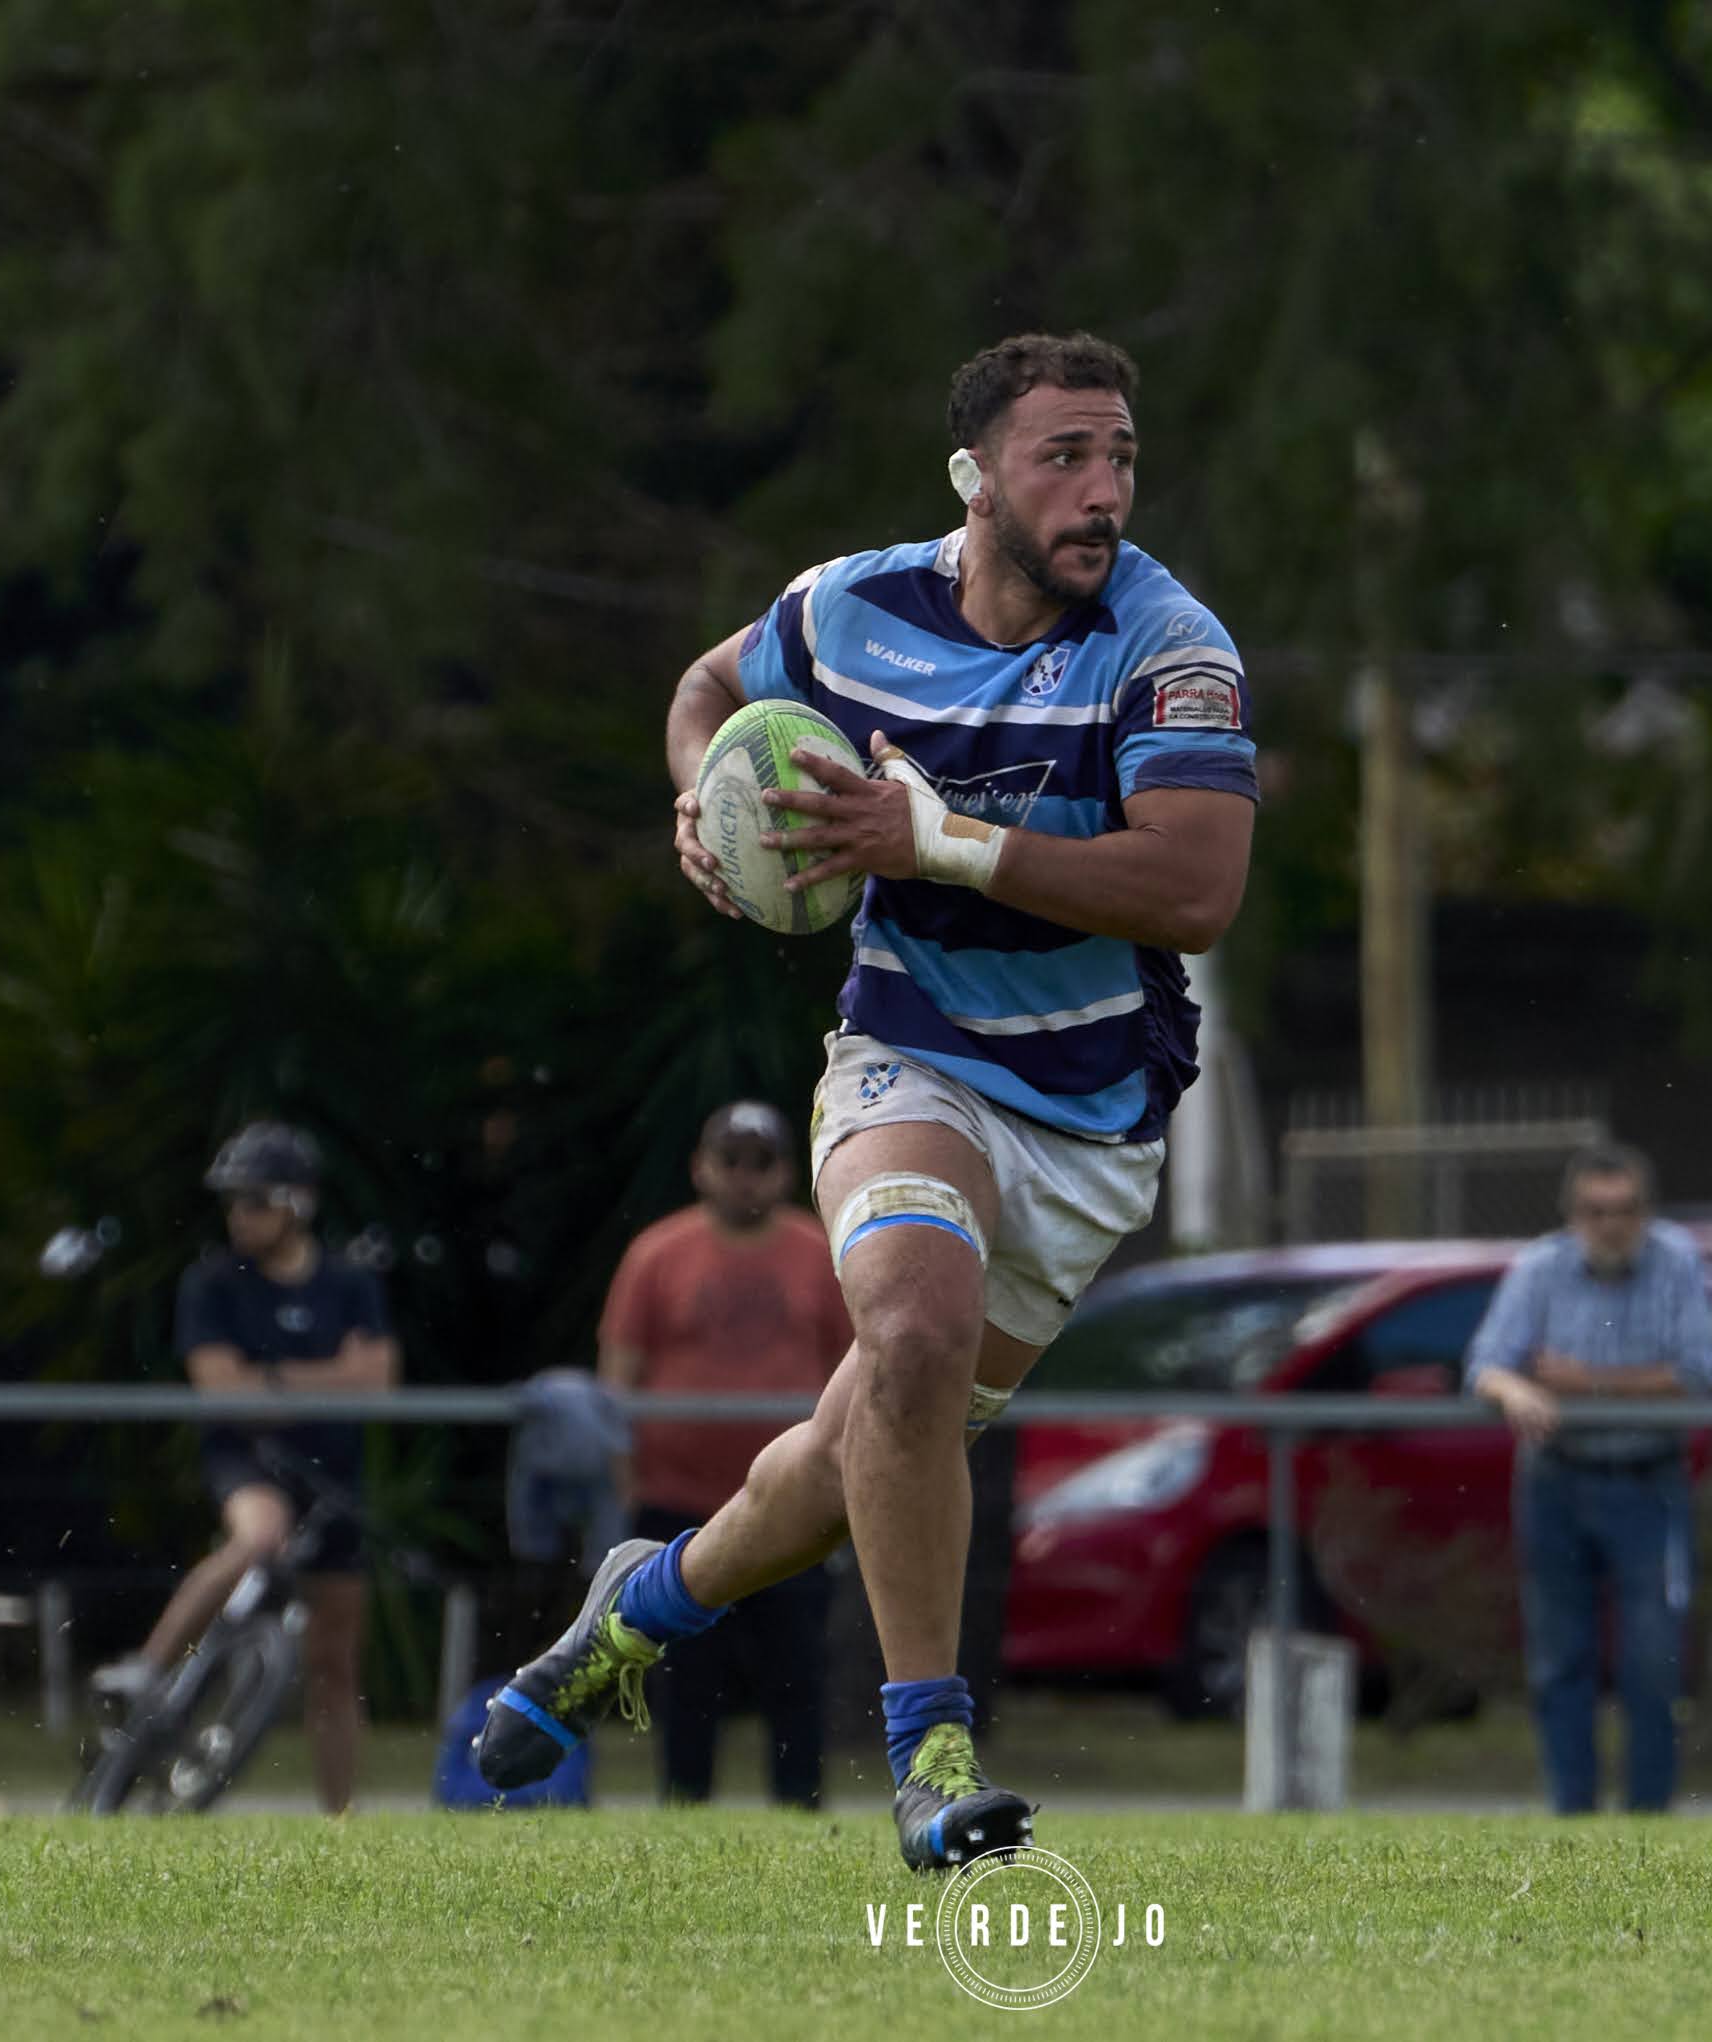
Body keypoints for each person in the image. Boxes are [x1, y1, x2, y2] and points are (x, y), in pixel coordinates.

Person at [476, 332, 1260, 1869]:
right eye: (1064, 459)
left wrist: (941, 841)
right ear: (975, 480)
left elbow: (1194, 886)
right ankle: (929, 1755)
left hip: (1093, 1117)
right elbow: (710, 683)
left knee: (851, 1461)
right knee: (908, 1331)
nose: (1101, 495)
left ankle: (633, 1612)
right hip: (909, 1056)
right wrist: (701, 794)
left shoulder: (1173, 650)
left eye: (1120, 460)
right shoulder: (851, 607)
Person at [93, 1121, 398, 1813]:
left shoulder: (349, 1281)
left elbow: (378, 1379)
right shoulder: (211, 1283)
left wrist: (272, 1382)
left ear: (297, 1203)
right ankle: (148, 1666)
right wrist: (325, 1378)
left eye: (255, 1200)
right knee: (258, 1537)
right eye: (233, 1202)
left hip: (334, 1474)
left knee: (335, 1661)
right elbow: (222, 1391)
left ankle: (340, 1818)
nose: (240, 1216)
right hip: (248, 1463)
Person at [595, 1099, 853, 1809]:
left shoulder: (821, 1252)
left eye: (760, 1163)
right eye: (731, 1161)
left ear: (784, 1172)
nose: (744, 1178)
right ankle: (683, 1807)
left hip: (796, 1508)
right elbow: (619, 1374)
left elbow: (851, 1370)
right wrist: (625, 1485)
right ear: (702, 1168)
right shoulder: (656, 1254)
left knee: (796, 1669)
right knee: (685, 1674)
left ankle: (800, 1809)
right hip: (677, 1502)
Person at [1465, 1142, 1712, 1815]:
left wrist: (1585, 1382)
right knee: (1558, 1659)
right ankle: (1571, 1813)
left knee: (1651, 1660)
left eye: (1625, 1210)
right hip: (1557, 1478)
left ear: (1646, 1210)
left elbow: (1698, 1372)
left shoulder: (1676, 1262)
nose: (1610, 1224)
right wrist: (1515, 1392)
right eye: (1595, 1210)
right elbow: (1487, 1364)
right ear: (1571, 1212)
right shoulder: (1540, 1266)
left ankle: (1648, 1816)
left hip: (1648, 1479)